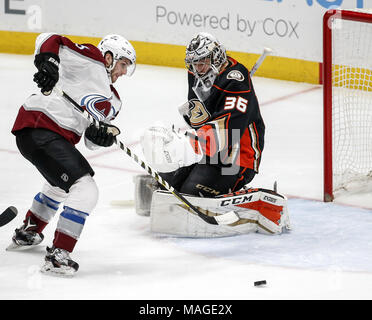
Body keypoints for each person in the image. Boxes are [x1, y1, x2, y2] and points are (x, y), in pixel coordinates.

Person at [7, 33, 136, 276]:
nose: (123, 72)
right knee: (86, 189)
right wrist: (49, 63)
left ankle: (30, 230)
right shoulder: (93, 59)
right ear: (109, 57)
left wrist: (101, 137)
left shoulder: (114, 102)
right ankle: (58, 255)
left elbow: (90, 141)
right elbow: (50, 39)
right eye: (122, 64)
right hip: (40, 124)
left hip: (43, 136)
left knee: (60, 185)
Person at [141, 32, 265, 198]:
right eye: (194, 63)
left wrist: (187, 145)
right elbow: (199, 118)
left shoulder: (236, 79)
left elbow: (227, 132)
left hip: (238, 156)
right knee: (164, 185)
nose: (198, 68)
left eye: (203, 62)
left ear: (216, 57)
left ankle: (231, 190)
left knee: (190, 194)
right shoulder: (196, 73)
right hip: (209, 150)